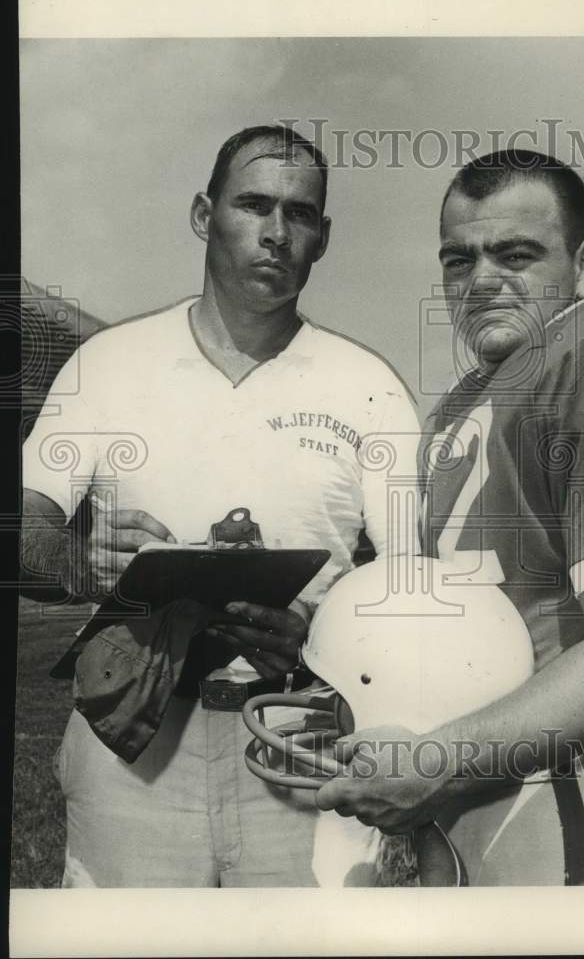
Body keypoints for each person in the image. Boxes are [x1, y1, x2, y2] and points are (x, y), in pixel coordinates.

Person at [20, 124, 420, 887]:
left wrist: (316, 638)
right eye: (253, 204)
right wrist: (76, 558)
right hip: (131, 741)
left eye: (300, 214)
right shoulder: (108, 364)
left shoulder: (369, 386)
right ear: (205, 215)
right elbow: (19, 525)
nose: (276, 233)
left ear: (324, 236)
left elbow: (405, 590)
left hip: (305, 740)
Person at [315, 149, 584, 885]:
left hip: (563, 799)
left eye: (517, 254)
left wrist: (435, 764)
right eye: (458, 260)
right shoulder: (458, 408)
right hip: (466, 804)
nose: (483, 279)